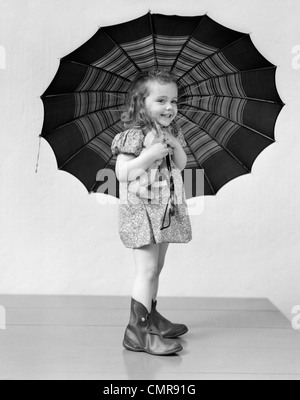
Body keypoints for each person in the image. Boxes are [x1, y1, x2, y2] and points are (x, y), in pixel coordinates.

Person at [111, 70, 192, 356]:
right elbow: (122, 173)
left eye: (174, 100)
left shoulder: (172, 132)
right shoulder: (132, 135)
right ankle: (137, 332)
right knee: (145, 270)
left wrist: (175, 145)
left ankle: (152, 318)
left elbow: (180, 165)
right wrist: (148, 155)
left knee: (157, 267)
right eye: (161, 100)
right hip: (141, 212)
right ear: (141, 103)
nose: (170, 107)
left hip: (164, 210)